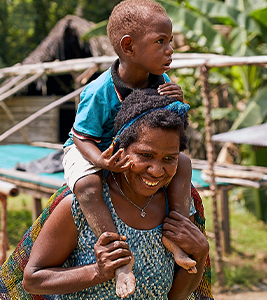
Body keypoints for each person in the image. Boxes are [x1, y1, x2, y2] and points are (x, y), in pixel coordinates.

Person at [60, 0, 198, 291]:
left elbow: (169, 128)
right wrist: (101, 163)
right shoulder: (99, 91)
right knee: (87, 188)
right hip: (91, 148)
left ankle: (176, 233)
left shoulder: (162, 81)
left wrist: (178, 100)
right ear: (128, 46)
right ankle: (120, 260)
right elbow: (81, 136)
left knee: (183, 163)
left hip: (134, 151)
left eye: (170, 41)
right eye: (161, 41)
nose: (170, 49)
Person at [21, 89, 211, 299]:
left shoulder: (177, 209)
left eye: (169, 159)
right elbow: (32, 280)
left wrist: (200, 254)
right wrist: (97, 272)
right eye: (145, 155)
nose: (156, 170)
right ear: (118, 148)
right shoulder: (81, 207)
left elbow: (175, 297)